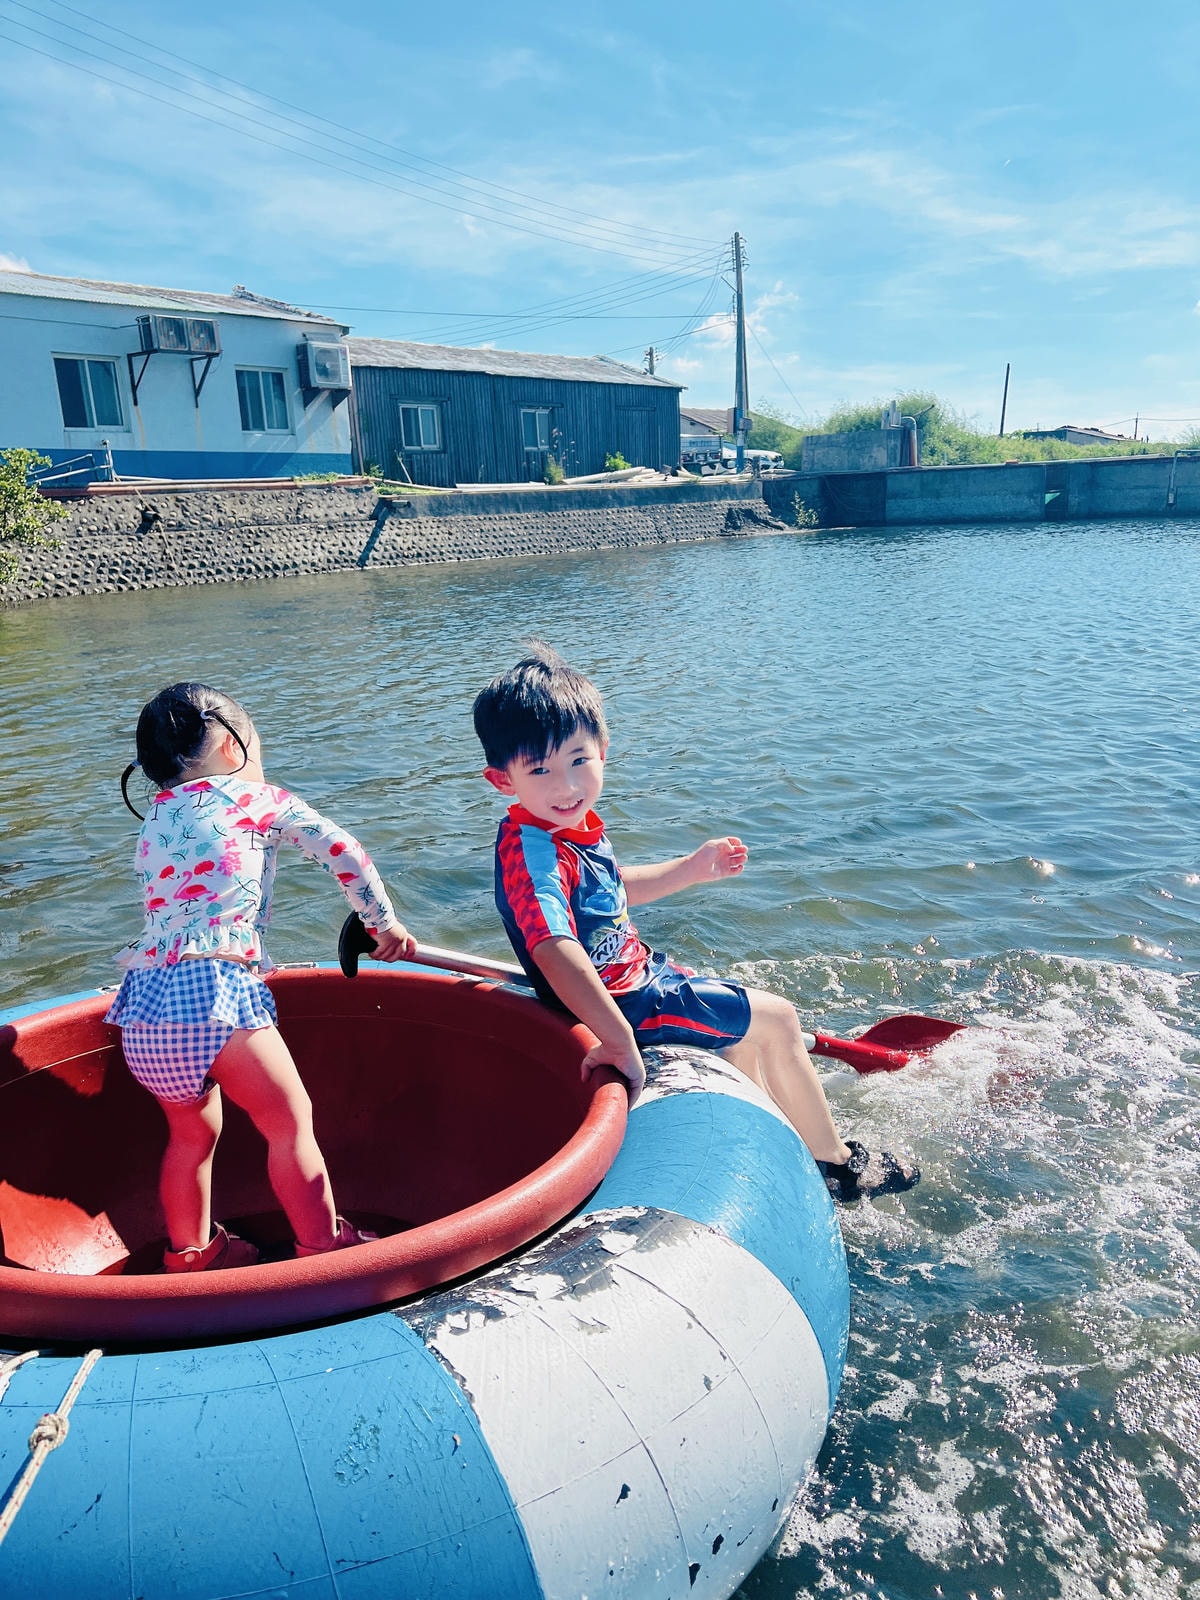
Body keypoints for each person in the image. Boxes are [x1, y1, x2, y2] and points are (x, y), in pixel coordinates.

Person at [472, 645, 919, 1202]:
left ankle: (780, 1141)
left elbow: (608, 894)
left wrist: (692, 869)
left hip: (639, 976)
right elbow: (553, 946)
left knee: (746, 1042)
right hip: (625, 1001)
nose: (566, 785)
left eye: (578, 761)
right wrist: (615, 1039)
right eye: (540, 769)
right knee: (778, 1018)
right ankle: (838, 1166)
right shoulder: (533, 851)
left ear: (604, 752)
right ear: (502, 780)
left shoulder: (568, 824)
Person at [107, 681, 416, 1272]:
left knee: (190, 1139)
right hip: (214, 993)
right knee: (289, 1124)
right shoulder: (257, 799)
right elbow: (344, 852)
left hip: (143, 1009)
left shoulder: (156, 819)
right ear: (229, 745)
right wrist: (383, 924)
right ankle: (322, 1244)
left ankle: (191, 1255)